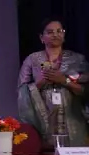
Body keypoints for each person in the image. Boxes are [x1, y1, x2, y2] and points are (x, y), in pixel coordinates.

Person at [18, 18, 88, 147]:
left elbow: (86, 91)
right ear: (41, 37)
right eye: (50, 32)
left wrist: (64, 81)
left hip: (73, 120)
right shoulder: (32, 60)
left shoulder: (78, 60)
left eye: (59, 31)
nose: (55, 34)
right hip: (42, 121)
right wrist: (41, 82)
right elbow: (22, 92)